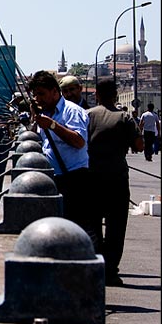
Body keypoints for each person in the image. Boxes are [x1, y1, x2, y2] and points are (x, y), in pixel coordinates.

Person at [27, 70, 96, 246]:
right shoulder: (45, 113)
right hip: (55, 178)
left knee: (76, 229)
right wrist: (35, 117)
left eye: (42, 94)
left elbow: (79, 141)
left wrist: (52, 125)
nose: (39, 99)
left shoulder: (72, 112)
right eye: (36, 96)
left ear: (55, 91)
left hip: (74, 178)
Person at [86, 79, 143, 287]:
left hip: (92, 179)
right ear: (116, 95)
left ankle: (97, 266)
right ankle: (111, 270)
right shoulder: (125, 117)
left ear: (97, 95)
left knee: (93, 226)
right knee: (116, 227)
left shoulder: (88, 116)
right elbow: (138, 145)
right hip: (117, 179)